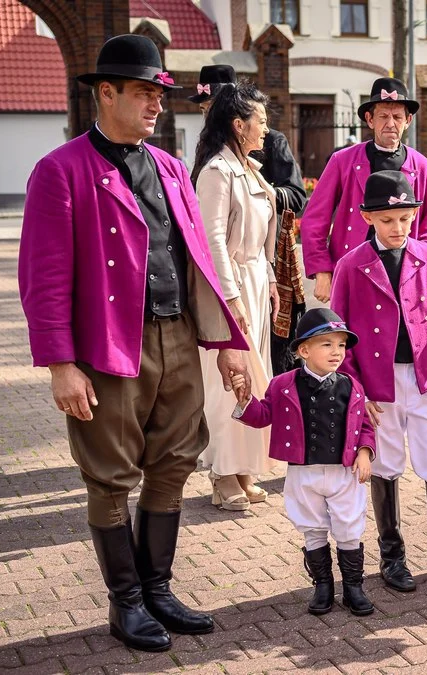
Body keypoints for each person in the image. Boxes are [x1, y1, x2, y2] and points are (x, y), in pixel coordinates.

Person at [17, 34, 249, 652]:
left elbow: (197, 258)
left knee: (174, 462)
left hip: (177, 333)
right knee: (110, 474)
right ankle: (126, 602)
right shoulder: (60, 171)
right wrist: (60, 365)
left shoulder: (171, 167)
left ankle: (158, 589)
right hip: (109, 346)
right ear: (106, 93)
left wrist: (226, 339)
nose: (156, 104)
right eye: (144, 92)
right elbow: (42, 279)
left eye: (160, 94)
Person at [329, 171, 427, 593]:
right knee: (386, 464)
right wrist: (356, 391)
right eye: (388, 219)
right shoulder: (352, 265)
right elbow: (340, 334)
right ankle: (393, 556)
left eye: (406, 218)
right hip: (378, 384)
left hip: (426, 380)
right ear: (368, 217)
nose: (398, 228)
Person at [232, 308, 377, 617]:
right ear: (303, 350)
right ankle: (323, 586)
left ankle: (353, 588)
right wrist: (245, 401)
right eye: (327, 344)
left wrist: (365, 451)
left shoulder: (352, 386)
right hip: (303, 473)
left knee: (350, 528)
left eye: (340, 345)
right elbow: (263, 416)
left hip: (344, 473)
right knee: (312, 528)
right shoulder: (282, 385)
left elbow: (364, 424)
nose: (336, 351)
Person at [191, 82, 280, 511]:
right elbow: (212, 242)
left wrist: (272, 280)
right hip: (230, 288)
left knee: (255, 378)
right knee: (230, 380)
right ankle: (222, 473)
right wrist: (231, 297)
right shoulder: (216, 173)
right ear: (238, 123)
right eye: (260, 121)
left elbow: (265, 235)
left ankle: (244, 467)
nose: (266, 129)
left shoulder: (251, 168)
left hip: (256, 283)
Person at [190, 64, 309, 376]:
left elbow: (295, 196)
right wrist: (231, 297)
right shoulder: (216, 166)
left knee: (262, 367)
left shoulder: (258, 158)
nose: (209, 113)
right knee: (240, 372)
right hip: (236, 278)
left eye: (213, 106)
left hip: (259, 275)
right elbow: (212, 237)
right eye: (205, 107)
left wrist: (268, 275)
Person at [301, 78, 427, 303]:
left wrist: (423, 269)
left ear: (408, 121)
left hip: (403, 269)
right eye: (383, 116)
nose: (390, 123)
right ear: (370, 119)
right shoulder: (342, 161)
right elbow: (315, 219)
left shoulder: (424, 168)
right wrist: (322, 271)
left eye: (397, 117)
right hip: (351, 266)